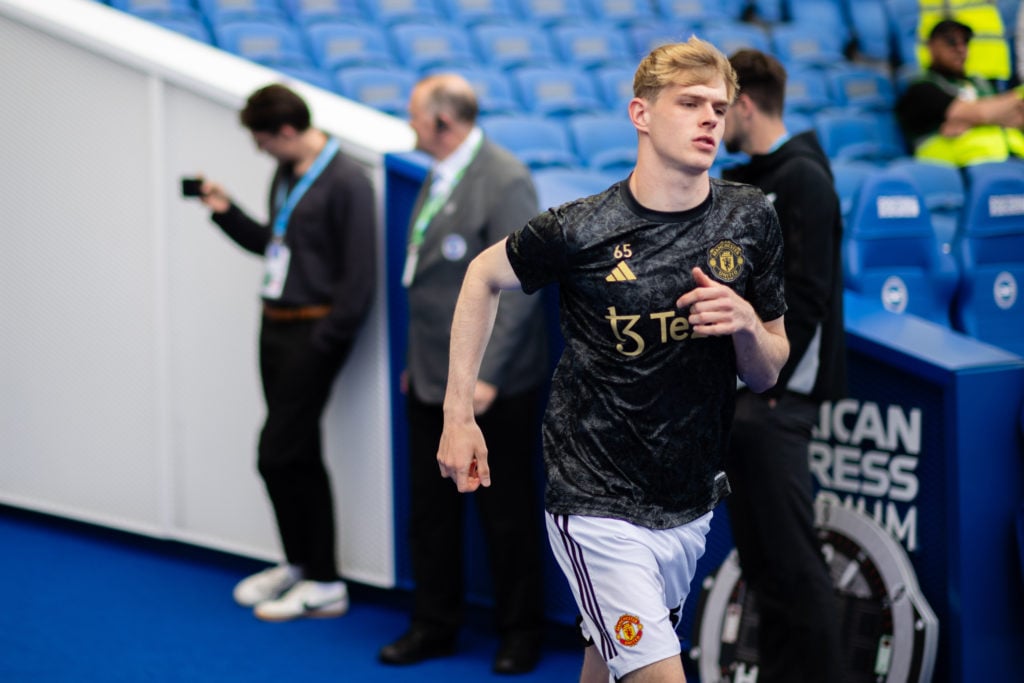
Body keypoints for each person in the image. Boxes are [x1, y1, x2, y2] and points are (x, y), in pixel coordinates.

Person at [436, 38, 790, 683]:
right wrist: (458, 415)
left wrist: (744, 324)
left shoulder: (752, 220)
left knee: (606, 663)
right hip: (595, 499)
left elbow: (768, 369)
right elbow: (481, 277)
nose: (711, 117)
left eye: (719, 105)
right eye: (690, 103)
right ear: (641, 114)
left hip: (689, 501)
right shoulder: (580, 227)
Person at [377, 73, 549, 675]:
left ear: (443, 122)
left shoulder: (503, 178)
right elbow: (427, 287)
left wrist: (486, 377)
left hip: (489, 387)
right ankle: (434, 624)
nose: (410, 126)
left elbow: (523, 289)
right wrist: (418, 367)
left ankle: (520, 633)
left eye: (416, 116)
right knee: (430, 513)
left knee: (504, 515)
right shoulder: (440, 172)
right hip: (433, 378)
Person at [189, 83, 376, 622]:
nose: (259, 151)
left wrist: (325, 342)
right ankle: (302, 567)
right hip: (273, 327)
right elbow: (278, 244)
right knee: (295, 454)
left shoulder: (347, 181)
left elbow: (358, 279)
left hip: (313, 334)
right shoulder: (288, 172)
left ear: (288, 132)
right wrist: (226, 213)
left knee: (275, 453)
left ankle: (323, 580)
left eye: (263, 140)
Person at [720, 49, 847, 683]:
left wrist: (771, 388)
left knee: (795, 566)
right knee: (764, 567)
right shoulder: (746, 177)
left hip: (778, 403)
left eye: (722, 106)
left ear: (746, 103)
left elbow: (810, 296)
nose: (715, 120)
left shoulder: (804, 179)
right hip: (746, 402)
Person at [896, 18, 1024, 165]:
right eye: (951, 42)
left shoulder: (981, 83)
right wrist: (1000, 109)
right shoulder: (922, 88)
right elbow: (978, 113)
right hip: (956, 168)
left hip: (1012, 160)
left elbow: (1019, 117)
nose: (961, 48)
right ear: (931, 46)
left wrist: (971, 121)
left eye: (965, 42)